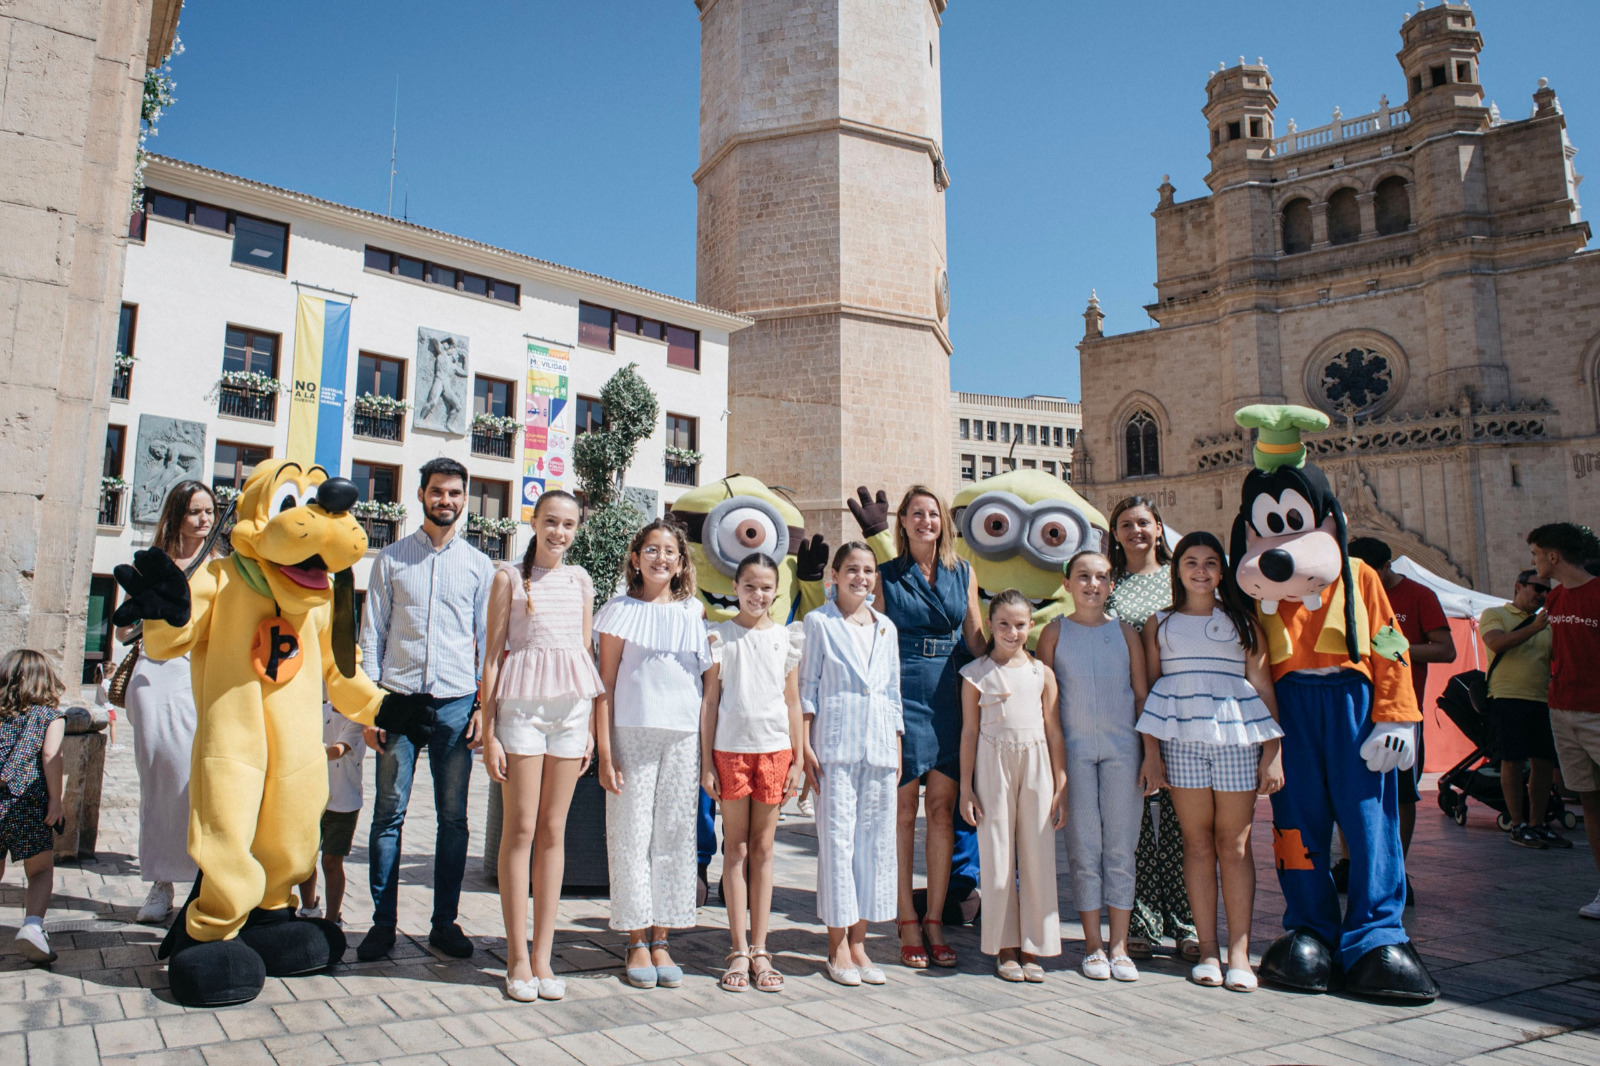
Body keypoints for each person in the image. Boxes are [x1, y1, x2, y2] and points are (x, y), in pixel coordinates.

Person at [358, 457, 494, 962]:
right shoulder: (390, 560)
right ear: (421, 494)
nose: (446, 501)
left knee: (453, 819)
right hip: (397, 702)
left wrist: (483, 704)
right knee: (388, 815)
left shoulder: (481, 567)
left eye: (455, 493)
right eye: (437, 491)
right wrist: (370, 708)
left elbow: (486, 643)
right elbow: (371, 636)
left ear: (465, 499)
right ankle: (382, 925)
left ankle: (445, 923)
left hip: (457, 704)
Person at [1137, 532, 1283, 992]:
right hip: (1182, 743)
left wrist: (1273, 754)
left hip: (1236, 741)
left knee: (1234, 845)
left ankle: (1240, 953)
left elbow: (1264, 689)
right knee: (1196, 844)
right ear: (1176, 570)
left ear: (1222, 571)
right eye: (1191, 563)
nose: (1201, 571)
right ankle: (1207, 951)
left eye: (1210, 563)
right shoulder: (1158, 625)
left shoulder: (1244, 622)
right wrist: (1153, 755)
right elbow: (1151, 692)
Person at [480, 489, 604, 1002]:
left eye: (569, 524)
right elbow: (491, 658)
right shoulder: (508, 577)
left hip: (571, 714)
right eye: (551, 521)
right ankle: (514, 958)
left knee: (555, 832)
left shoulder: (580, 581)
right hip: (522, 711)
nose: (559, 532)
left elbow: (586, 652)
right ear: (533, 522)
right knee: (522, 828)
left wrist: (593, 729)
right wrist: (487, 732)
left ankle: (543, 957)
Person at [594, 518, 711, 989]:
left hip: (683, 736)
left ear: (681, 562)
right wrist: (604, 751)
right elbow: (603, 683)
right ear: (636, 557)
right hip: (631, 733)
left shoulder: (694, 612)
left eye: (670, 552)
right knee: (630, 835)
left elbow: (706, 684)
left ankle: (663, 937)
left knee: (675, 836)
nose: (660, 558)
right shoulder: (618, 610)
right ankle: (636, 940)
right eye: (651, 550)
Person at [871, 486, 984, 969]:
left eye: (932, 513)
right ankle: (905, 918)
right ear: (902, 522)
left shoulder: (965, 572)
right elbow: (871, 639)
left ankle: (935, 918)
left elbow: (977, 637)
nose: (925, 521)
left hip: (950, 692)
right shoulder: (886, 576)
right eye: (916, 513)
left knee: (941, 810)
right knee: (901, 810)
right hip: (903, 688)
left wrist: (1021, 659)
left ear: (944, 522)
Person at [1036, 550, 1152, 982]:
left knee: (1121, 848)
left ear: (1111, 584)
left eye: (1101, 577)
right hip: (1076, 753)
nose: (1092, 585)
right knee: (1084, 850)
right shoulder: (1054, 632)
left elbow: (1141, 696)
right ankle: (1092, 945)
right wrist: (1054, 769)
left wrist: (1150, 755)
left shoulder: (1124, 633)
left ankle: (1120, 945)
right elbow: (1045, 705)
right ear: (1067, 583)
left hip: (1124, 751)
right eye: (1083, 576)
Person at [701, 553, 806, 993]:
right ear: (736, 586)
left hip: (774, 751)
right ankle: (738, 949)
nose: (757, 595)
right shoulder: (720, 638)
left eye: (766, 587)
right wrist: (706, 761)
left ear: (776, 591)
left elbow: (793, 701)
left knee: (763, 850)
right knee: (736, 850)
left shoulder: (787, 640)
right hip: (730, 752)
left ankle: (762, 949)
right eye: (749, 586)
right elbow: (710, 702)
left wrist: (798, 758)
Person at [800, 543, 903, 987]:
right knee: (838, 842)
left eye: (868, 570)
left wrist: (897, 748)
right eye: (852, 570)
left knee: (875, 843)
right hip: (835, 746)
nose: (860, 577)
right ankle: (836, 944)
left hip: (879, 745)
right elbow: (807, 688)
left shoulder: (887, 628)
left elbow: (894, 692)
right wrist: (804, 744)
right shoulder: (818, 623)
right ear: (835, 574)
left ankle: (860, 942)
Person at [117, 480, 217, 924]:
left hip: (198, 674)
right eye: (195, 511)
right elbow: (122, 633)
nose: (205, 519)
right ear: (176, 515)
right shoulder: (155, 565)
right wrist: (149, 609)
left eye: (210, 510)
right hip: (155, 676)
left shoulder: (222, 568)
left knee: (198, 781)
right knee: (160, 780)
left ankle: (203, 877)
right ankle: (161, 882)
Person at [1103, 496, 1197, 962]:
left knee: (1182, 820)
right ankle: (1141, 919)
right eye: (1125, 524)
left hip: (1179, 708)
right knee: (1134, 821)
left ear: (1159, 528)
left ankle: (1185, 923)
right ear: (1115, 534)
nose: (1135, 531)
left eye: (1143, 523)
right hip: (1125, 710)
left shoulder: (1180, 579)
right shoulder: (1109, 584)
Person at [958, 590, 1067, 983]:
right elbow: (969, 732)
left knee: (1037, 854)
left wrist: (1061, 782)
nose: (1012, 631)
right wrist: (965, 788)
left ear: (1030, 626)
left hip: (1036, 762)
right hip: (991, 762)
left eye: (1020, 624)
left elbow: (1054, 731)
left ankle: (1034, 945)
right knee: (997, 853)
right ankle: (1004, 947)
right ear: (990, 625)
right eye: (1003, 623)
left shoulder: (1043, 674)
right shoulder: (976, 674)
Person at [1347, 538, 1456, 864]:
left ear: (1386, 567)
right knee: (1350, 791)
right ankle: (1353, 862)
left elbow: (1446, 650)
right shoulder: (1350, 592)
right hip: (1355, 711)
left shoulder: (1420, 596)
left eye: (1370, 573)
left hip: (1401, 712)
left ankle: (1397, 866)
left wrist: (1396, 649)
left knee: (1402, 794)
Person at [1527, 523, 1600, 919]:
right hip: (1562, 709)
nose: (1533, 562)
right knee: (1589, 799)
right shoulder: (1554, 599)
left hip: (1598, 710)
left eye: (1536, 554)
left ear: (1553, 556)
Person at [1479, 570, 1564, 849]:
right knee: (1512, 761)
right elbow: (1496, 642)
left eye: (1547, 590)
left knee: (1544, 763)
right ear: (1518, 586)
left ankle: (1538, 824)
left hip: (1542, 699)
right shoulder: (1495, 614)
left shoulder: (1548, 624)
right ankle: (1518, 824)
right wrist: (1535, 627)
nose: (1542, 594)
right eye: (1537, 587)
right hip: (1506, 697)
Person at [0, 650, 67, 965]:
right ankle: (32, 927)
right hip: (27, 803)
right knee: (39, 870)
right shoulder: (49, 716)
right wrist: (56, 799)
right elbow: (51, 755)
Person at [296, 699, 365, 926]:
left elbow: (339, 750)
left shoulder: (357, 720)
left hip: (343, 803)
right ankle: (308, 908)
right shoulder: (320, 709)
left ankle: (333, 918)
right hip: (312, 798)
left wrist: (308, 753)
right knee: (305, 859)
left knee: (331, 861)